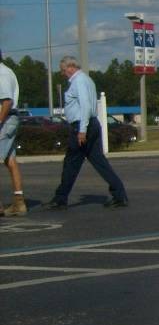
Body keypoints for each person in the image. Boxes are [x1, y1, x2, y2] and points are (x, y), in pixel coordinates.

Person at [46, 56, 129, 210]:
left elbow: (84, 106)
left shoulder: (78, 82)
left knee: (71, 163)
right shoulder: (87, 80)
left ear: (71, 67)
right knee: (99, 162)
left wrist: (82, 130)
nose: (63, 74)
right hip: (91, 124)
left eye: (63, 70)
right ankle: (119, 194)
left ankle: (60, 198)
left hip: (82, 126)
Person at [0, 49, 27, 216]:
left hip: (6, 120)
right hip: (8, 120)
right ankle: (19, 202)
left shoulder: (2, 73)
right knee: (10, 160)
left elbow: (7, 101)